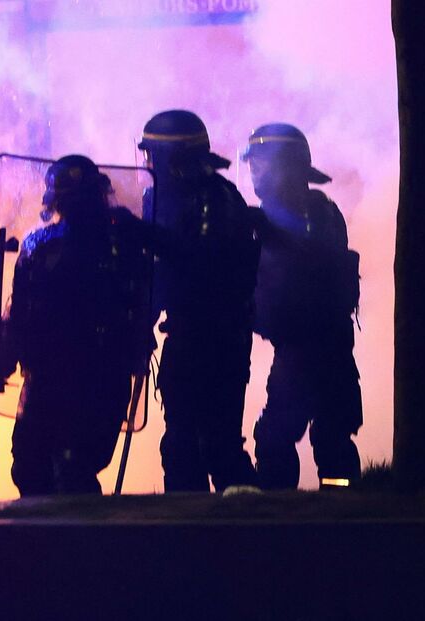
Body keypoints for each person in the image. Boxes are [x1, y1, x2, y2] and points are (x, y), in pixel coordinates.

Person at [0, 155, 151, 496]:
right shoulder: (125, 242)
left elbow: (18, 316)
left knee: (50, 470)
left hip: (63, 381)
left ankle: (62, 547)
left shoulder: (43, 244)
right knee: (60, 469)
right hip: (93, 379)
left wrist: (3, 365)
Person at [138, 110, 259, 492]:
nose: (148, 164)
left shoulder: (215, 200)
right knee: (182, 446)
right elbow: (161, 271)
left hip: (215, 339)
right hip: (188, 334)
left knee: (216, 447)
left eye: (152, 155)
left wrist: (143, 234)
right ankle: (190, 541)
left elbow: (199, 261)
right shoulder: (163, 200)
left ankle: (259, 532)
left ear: (169, 159)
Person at [241, 123, 363, 490]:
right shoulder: (282, 215)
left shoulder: (318, 216)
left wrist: (265, 230)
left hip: (312, 344)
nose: (254, 173)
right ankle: (331, 517)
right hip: (310, 343)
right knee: (329, 433)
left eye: (261, 164)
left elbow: (313, 259)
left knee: (282, 435)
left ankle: (286, 522)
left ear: (286, 167)